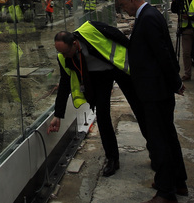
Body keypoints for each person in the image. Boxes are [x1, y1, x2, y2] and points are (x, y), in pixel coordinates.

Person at [114, 0, 187, 203]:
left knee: (160, 140)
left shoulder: (147, 18)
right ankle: (176, 181)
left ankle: (166, 193)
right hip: (156, 88)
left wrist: (175, 82)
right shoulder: (149, 15)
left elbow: (162, 53)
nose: (122, 9)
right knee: (168, 135)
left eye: (123, 4)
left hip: (155, 91)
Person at [48, 22, 141, 177]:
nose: (64, 56)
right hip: (98, 78)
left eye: (66, 52)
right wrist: (58, 115)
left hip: (117, 68)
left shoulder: (91, 30)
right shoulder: (64, 57)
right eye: (61, 53)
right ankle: (112, 158)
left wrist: (138, 59)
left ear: (75, 44)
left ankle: (155, 150)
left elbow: (119, 36)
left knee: (139, 106)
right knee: (102, 115)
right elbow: (65, 85)